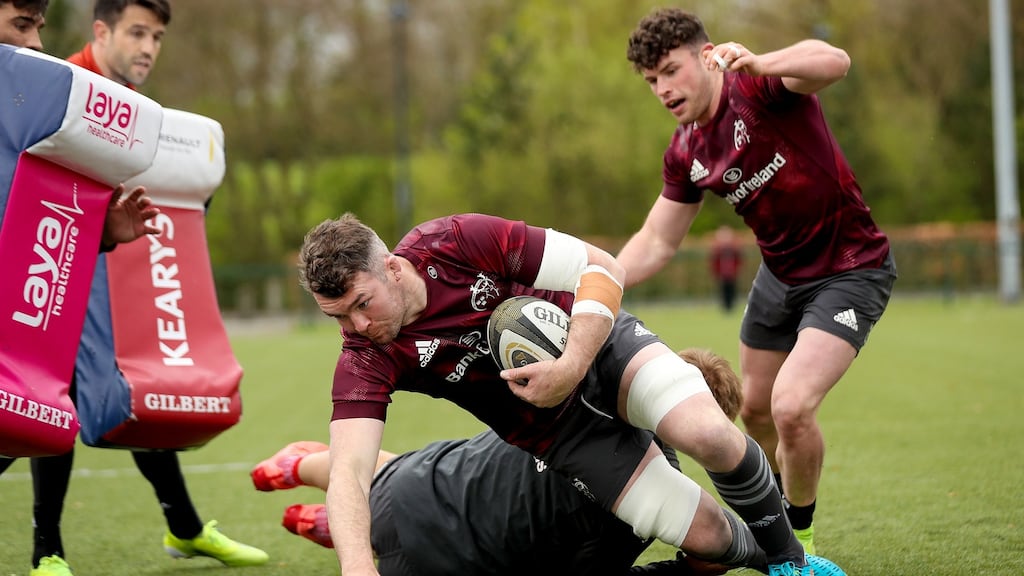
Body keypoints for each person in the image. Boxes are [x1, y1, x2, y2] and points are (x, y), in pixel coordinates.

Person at [298, 212, 846, 576]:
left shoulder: (454, 241)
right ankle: (765, 559)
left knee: (706, 433)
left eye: (362, 303)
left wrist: (572, 363)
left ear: (392, 268)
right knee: (704, 535)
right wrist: (357, 570)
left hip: (600, 348)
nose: (356, 325)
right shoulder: (364, 358)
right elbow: (348, 472)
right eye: (338, 317)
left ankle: (793, 563)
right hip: (556, 433)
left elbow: (602, 267)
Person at [616, 8, 898, 556]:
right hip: (779, 277)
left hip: (850, 267)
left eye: (671, 71)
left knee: (793, 407)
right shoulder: (685, 152)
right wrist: (597, 285)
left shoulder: (762, 88)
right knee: (758, 410)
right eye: (652, 80)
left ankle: (799, 543)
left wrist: (762, 61)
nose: (662, 89)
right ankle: (772, 527)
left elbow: (835, 61)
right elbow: (657, 240)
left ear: (707, 54)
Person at [0, 2, 268, 575]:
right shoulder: (61, 89)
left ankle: (184, 528)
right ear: (103, 31)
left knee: (129, 388)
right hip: (59, 267)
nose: (149, 47)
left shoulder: (125, 106)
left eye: (158, 36)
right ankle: (49, 550)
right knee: (63, 392)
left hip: (97, 260)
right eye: (137, 33)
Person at [251, 348, 744, 576]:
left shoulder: (580, 389)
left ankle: (301, 473)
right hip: (432, 561)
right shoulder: (657, 494)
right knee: (402, 526)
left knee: (375, 474)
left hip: (422, 480)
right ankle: (329, 524)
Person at [708, 226, 743, 313]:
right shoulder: (717, 251)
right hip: (722, 274)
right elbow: (714, 262)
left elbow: (739, 261)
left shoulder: (734, 250)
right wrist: (716, 272)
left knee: (732, 289)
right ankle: (725, 307)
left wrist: (737, 270)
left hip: (732, 273)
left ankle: (731, 306)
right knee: (723, 290)